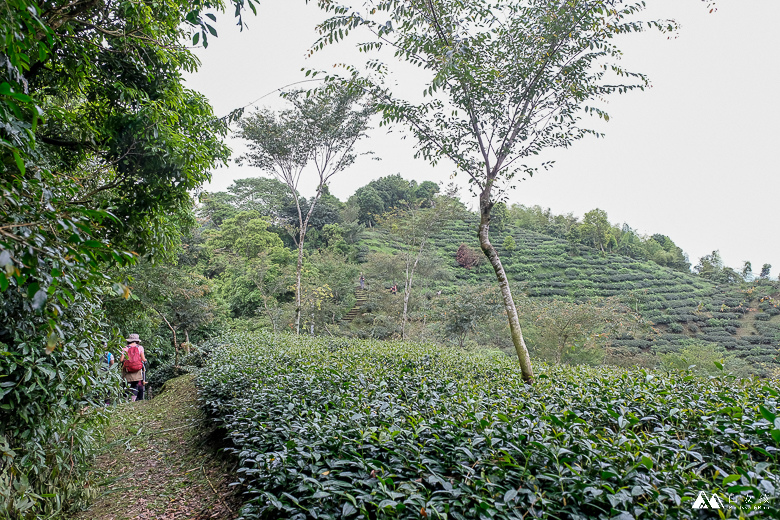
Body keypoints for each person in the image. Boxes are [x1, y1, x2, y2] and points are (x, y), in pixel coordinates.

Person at [120, 333, 147, 401]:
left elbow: (121, 360)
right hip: (137, 370)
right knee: (135, 385)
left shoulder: (125, 348)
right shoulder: (140, 347)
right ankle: (133, 400)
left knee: (126, 385)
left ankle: (125, 400)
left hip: (127, 369)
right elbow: (143, 359)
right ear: (137, 341)